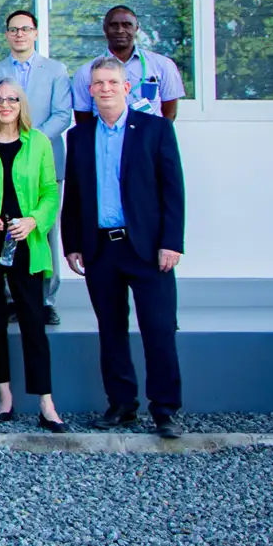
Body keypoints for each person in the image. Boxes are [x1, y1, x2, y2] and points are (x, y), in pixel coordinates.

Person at [62, 56, 186, 439]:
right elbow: (76, 194)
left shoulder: (155, 129)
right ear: (90, 91)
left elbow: (173, 190)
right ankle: (121, 405)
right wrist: (73, 244)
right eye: (98, 84)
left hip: (148, 249)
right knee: (111, 330)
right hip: (101, 248)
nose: (105, 89)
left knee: (159, 329)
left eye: (112, 83)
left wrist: (171, 242)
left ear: (126, 87)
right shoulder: (78, 136)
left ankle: (164, 409)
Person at [0, 80, 68, 432]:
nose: (5, 104)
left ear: (22, 104)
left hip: (28, 243)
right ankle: (5, 396)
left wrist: (35, 220)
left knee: (34, 322)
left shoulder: (39, 143)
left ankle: (46, 402)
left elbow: (50, 191)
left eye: (12, 98)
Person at [0, 9, 72, 320]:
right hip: (4, 159)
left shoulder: (55, 69)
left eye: (25, 28)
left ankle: (46, 300)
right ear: (7, 35)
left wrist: (30, 143)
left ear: (35, 33)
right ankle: (12, 297)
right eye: (13, 29)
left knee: (44, 229)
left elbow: (63, 115)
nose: (19, 34)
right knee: (8, 226)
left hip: (45, 158)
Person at [71, 5, 185, 122]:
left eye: (127, 25)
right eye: (113, 25)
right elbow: (82, 119)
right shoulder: (86, 72)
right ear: (104, 29)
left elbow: (170, 114)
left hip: (149, 138)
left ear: (136, 28)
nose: (120, 30)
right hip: (106, 138)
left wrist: (155, 137)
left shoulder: (163, 65)